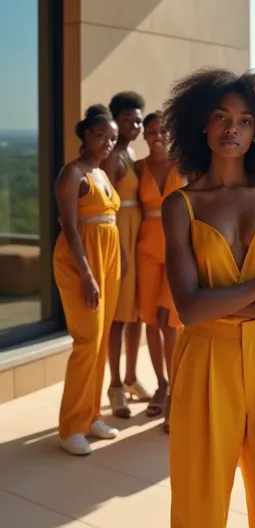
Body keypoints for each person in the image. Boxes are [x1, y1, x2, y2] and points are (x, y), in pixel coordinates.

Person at [162, 68, 255, 528]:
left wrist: (218, 304)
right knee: (199, 505)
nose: (232, 128)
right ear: (201, 125)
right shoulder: (180, 205)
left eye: (246, 120)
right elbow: (187, 308)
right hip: (206, 365)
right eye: (221, 116)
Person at [53, 105, 122, 455]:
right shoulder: (72, 174)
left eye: (112, 137)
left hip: (108, 258)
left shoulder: (101, 172)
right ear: (85, 135)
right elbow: (69, 227)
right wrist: (86, 274)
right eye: (101, 136)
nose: (108, 142)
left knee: (101, 338)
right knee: (87, 340)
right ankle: (71, 427)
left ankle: (92, 414)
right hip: (82, 261)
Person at [102, 92, 150, 418]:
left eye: (138, 120)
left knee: (137, 315)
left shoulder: (131, 153)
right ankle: (115, 384)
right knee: (119, 318)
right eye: (129, 119)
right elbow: (105, 206)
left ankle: (132, 377)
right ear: (115, 120)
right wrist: (119, 249)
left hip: (138, 239)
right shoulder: (112, 159)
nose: (136, 124)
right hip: (120, 239)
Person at [136, 111, 185, 430]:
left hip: (177, 246)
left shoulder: (185, 166)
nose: (158, 136)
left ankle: (177, 394)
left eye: (163, 131)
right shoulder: (137, 168)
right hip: (146, 248)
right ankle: (161, 385)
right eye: (151, 131)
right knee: (151, 320)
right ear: (144, 136)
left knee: (171, 321)